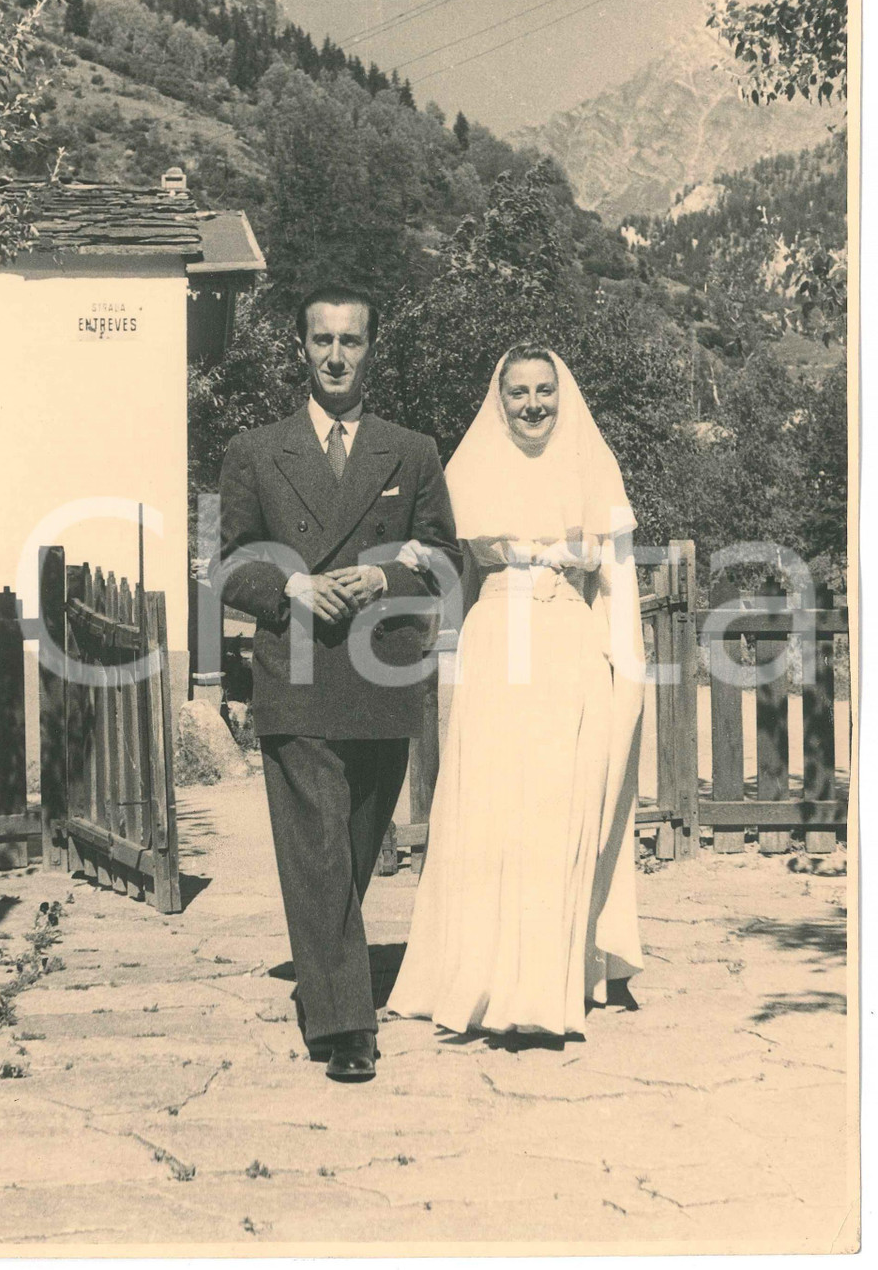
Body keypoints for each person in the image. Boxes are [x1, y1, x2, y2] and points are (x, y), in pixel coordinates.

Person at [211, 285, 461, 1082]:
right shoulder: (257, 450)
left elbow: (450, 562)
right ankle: (347, 1024)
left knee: (347, 854)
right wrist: (293, 587)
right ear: (300, 349)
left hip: (383, 677)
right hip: (297, 670)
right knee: (316, 851)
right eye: (321, 340)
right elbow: (229, 563)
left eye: (351, 341)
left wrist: (385, 579)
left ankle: (326, 974)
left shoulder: (412, 450)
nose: (335, 356)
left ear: (371, 349)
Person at [387, 343, 645, 1040]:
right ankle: (478, 978)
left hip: (567, 650)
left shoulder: (593, 467)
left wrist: (627, 672)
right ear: (499, 400)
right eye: (518, 393)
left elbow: (619, 585)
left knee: (555, 812)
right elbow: (451, 575)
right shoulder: (468, 470)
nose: (532, 404)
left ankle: (546, 990)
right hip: (497, 646)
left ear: (562, 398)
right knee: (491, 810)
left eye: (544, 392)